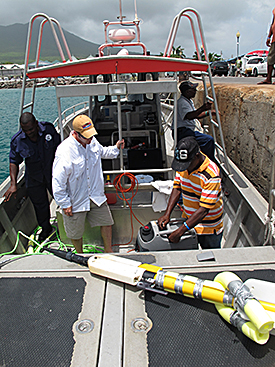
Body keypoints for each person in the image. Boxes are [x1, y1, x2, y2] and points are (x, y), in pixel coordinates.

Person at [52, 114, 125, 253]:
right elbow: (58, 181)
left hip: (95, 195)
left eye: (91, 135)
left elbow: (103, 151)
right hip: (76, 199)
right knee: (75, 232)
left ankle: (108, 252)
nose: (90, 139)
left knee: (107, 223)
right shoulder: (64, 151)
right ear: (75, 133)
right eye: (87, 136)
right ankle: (79, 254)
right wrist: (64, 203)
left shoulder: (92, 141)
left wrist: (116, 148)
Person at [3, 112, 61, 242]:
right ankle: (46, 229)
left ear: (36, 123)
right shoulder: (18, 140)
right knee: (40, 205)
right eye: (25, 130)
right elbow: (14, 161)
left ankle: (69, 226)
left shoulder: (48, 129)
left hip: (53, 174)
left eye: (31, 129)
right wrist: (13, 184)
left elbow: (60, 148)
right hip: (34, 178)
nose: (29, 132)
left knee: (63, 200)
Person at [157, 136, 223, 249]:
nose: (184, 169)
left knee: (210, 259)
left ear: (197, 155)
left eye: (187, 164)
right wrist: (167, 214)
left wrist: (180, 232)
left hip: (208, 228)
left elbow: (203, 210)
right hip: (188, 221)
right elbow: (177, 187)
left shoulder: (212, 175)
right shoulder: (184, 166)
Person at [171, 81, 217, 163]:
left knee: (206, 141)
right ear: (187, 92)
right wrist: (203, 108)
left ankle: (202, 159)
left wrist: (207, 113)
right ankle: (209, 162)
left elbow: (196, 115)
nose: (195, 91)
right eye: (193, 89)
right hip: (182, 132)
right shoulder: (182, 102)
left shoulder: (188, 101)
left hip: (186, 131)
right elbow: (189, 116)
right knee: (208, 140)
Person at [258, 8, 275, 84]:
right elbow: (273, 23)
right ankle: (268, 79)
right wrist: (269, 36)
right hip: (274, 39)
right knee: (270, 59)